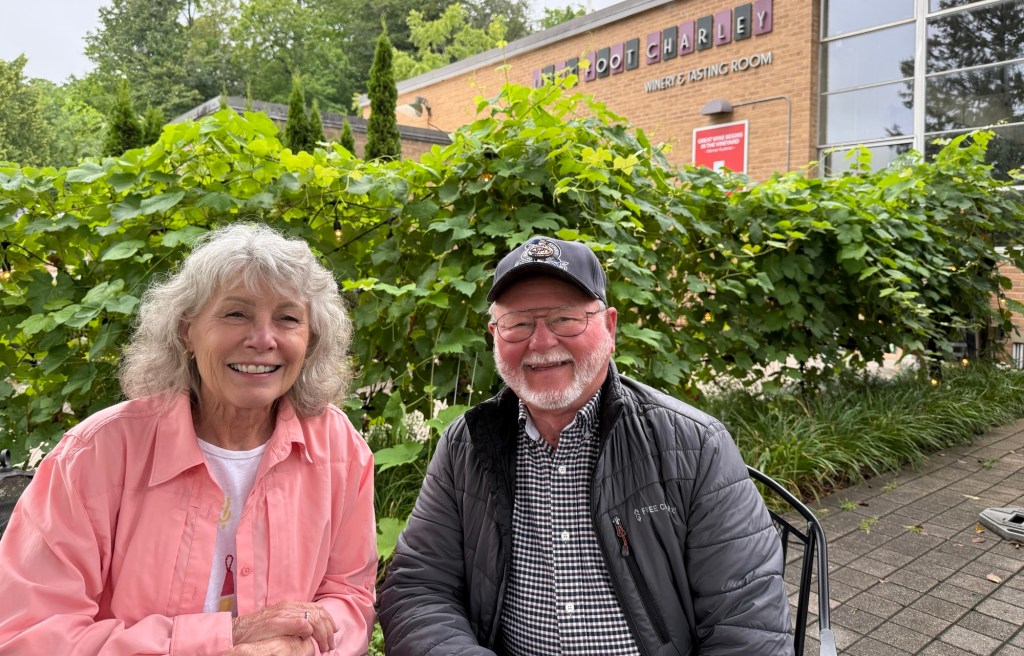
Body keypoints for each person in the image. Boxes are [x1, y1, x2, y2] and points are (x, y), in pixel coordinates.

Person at [379, 235, 792, 655]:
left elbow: (747, 628)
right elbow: (418, 588)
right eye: (519, 323)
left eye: (565, 319)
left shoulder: (695, 447)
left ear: (609, 327)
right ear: (494, 335)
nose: (541, 343)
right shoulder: (467, 445)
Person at [0, 223, 377, 656]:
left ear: (310, 340)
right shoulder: (96, 455)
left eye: (288, 318)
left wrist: (300, 647)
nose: (263, 339)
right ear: (186, 331)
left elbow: (350, 597)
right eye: (236, 313)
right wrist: (223, 641)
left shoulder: (339, 450)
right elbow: (29, 634)